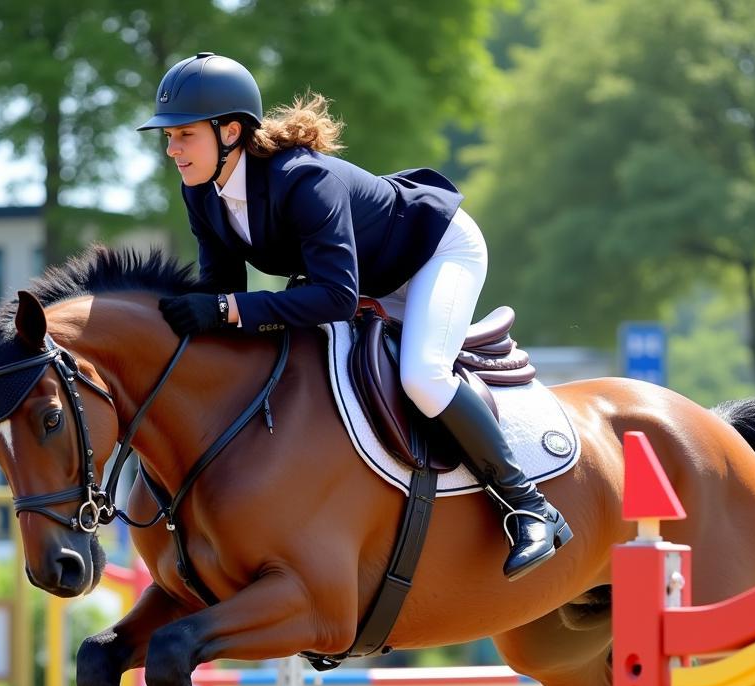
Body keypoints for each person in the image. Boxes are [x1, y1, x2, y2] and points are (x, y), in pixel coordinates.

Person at [138, 52, 571, 580]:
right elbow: (221, 291)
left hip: (436, 252)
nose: (171, 148)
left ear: (230, 131)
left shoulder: (302, 181)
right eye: (168, 136)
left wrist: (225, 309)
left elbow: (333, 299)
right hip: (368, 276)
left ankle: (530, 506)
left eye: (184, 134)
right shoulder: (202, 194)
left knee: (423, 376)